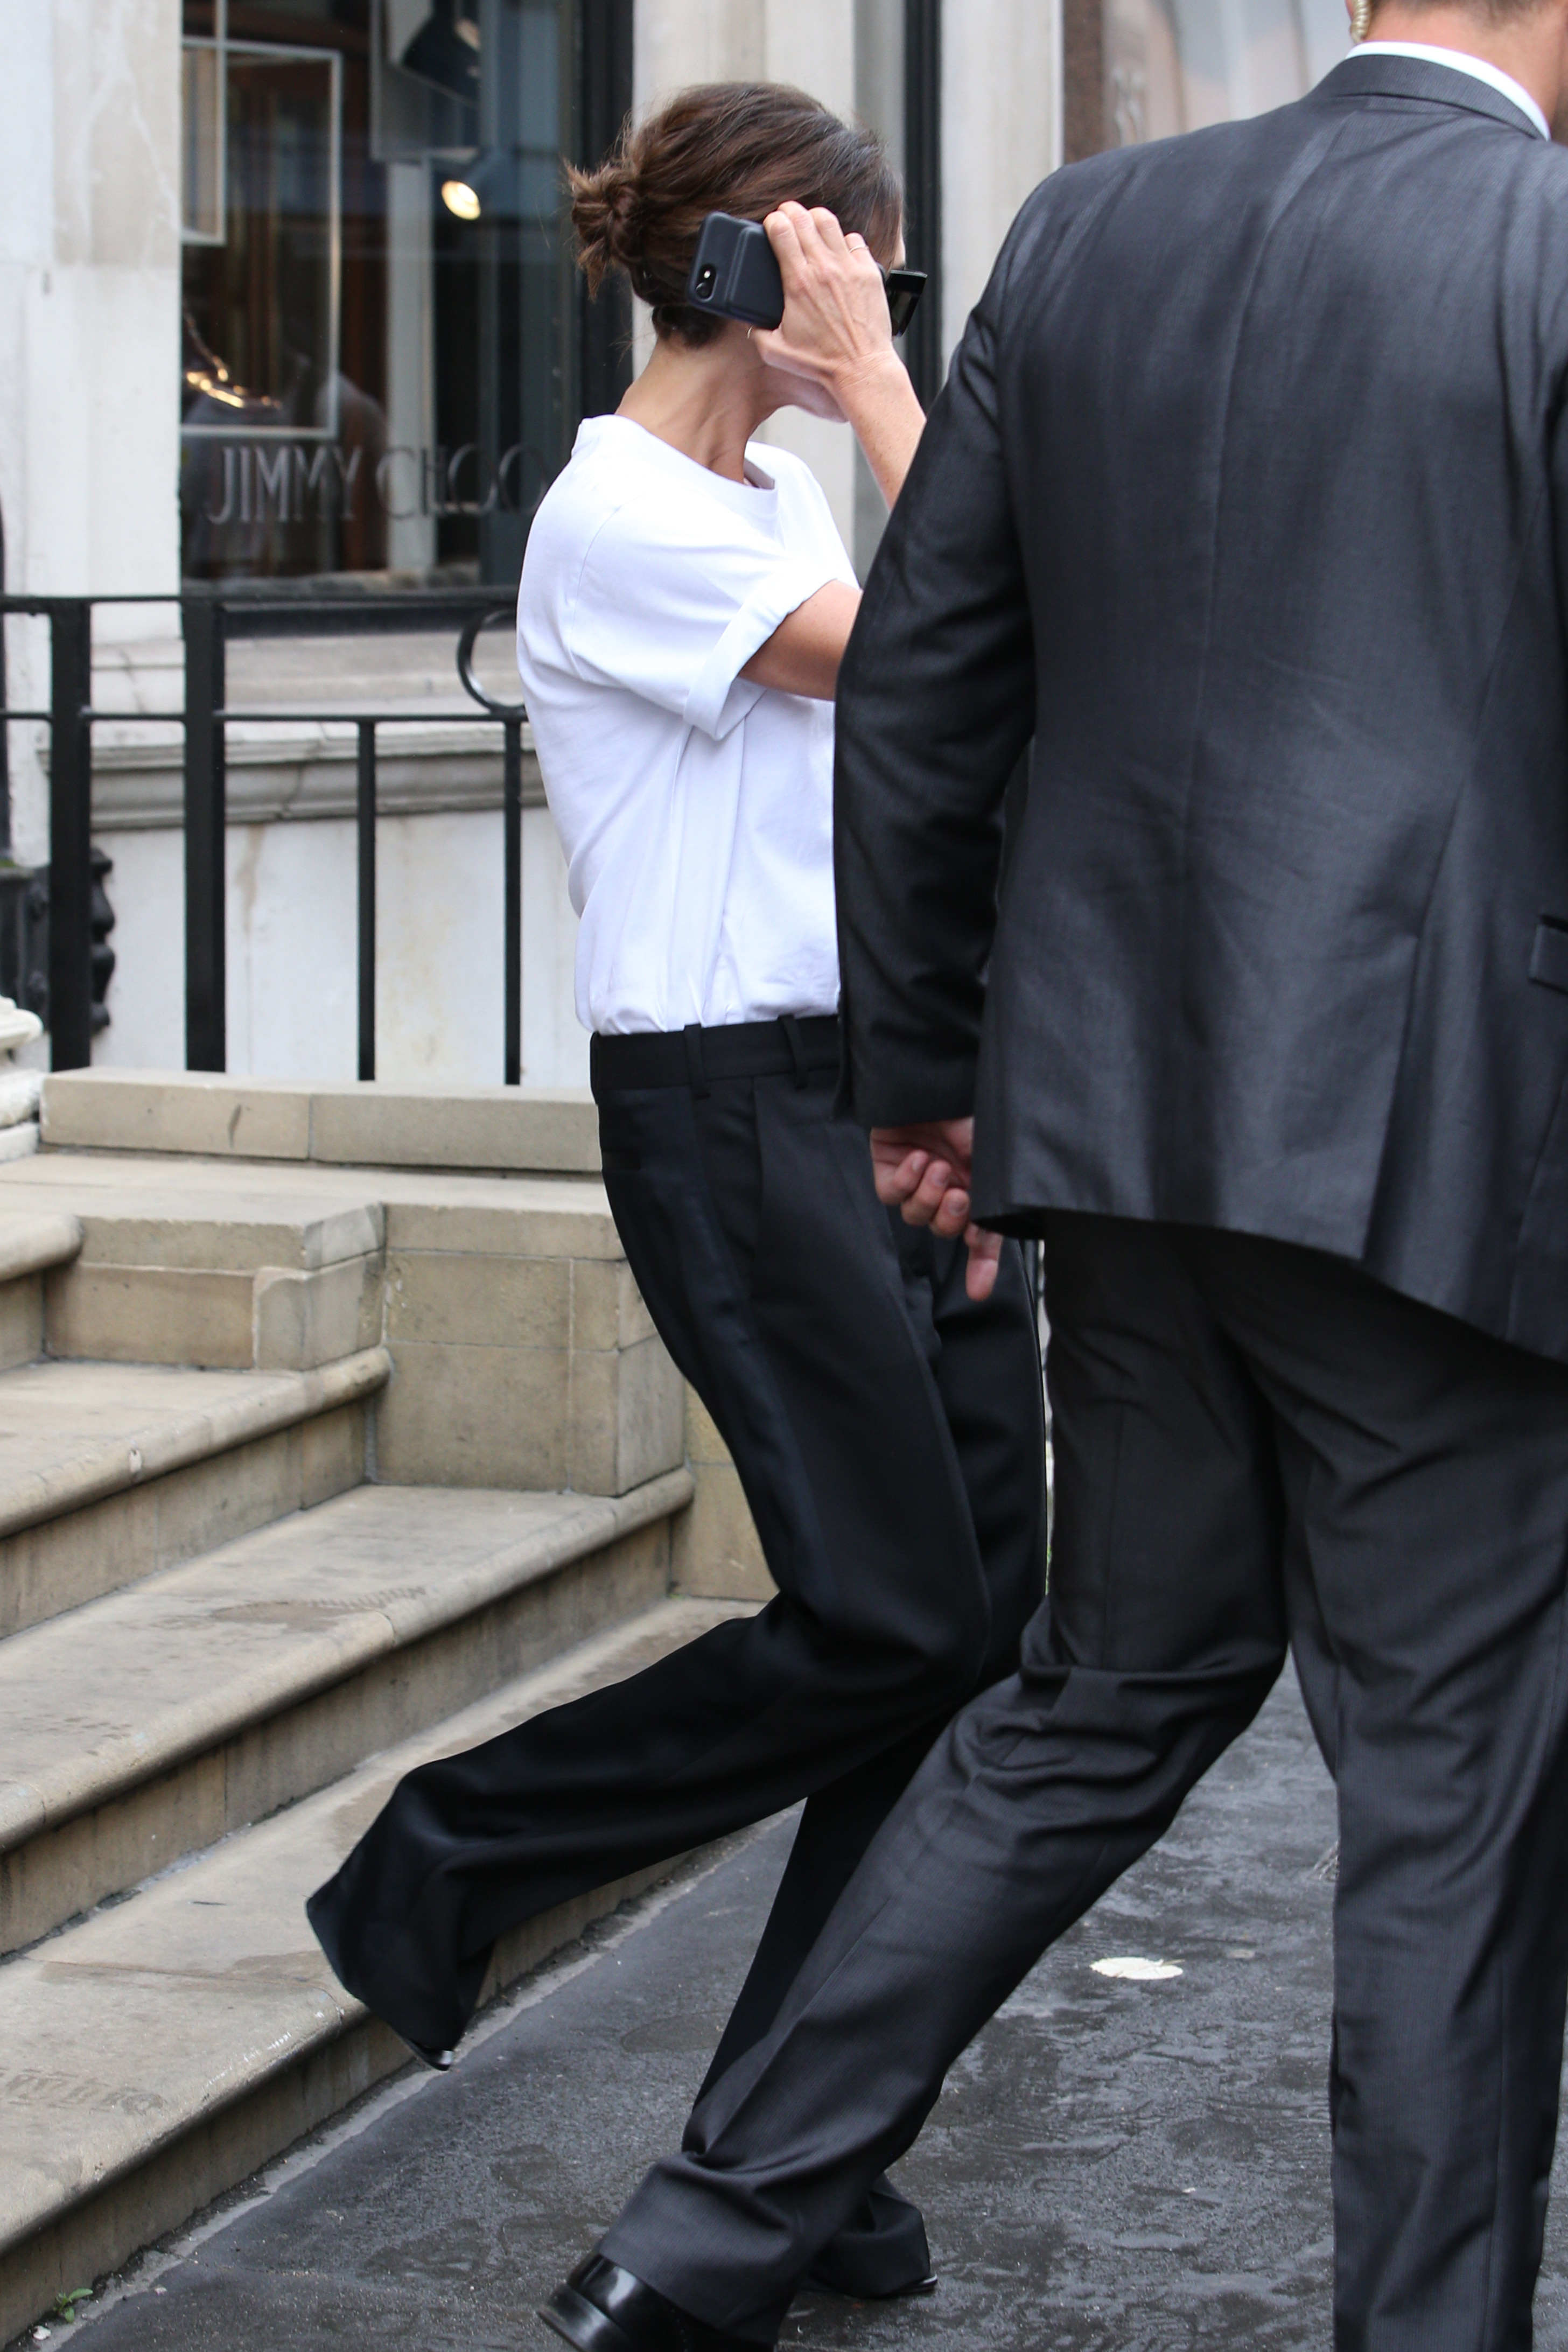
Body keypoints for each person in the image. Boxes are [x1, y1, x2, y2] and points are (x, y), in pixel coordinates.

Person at [538, 7, 1568, 2350]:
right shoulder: (1538, 249)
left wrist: (935, 1077)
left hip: (1119, 1133)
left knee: (1099, 1697)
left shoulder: (1091, 231)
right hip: (1437, 1149)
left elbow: (931, 682)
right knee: (1445, 1800)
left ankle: (690, 2246)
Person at [305, 81, 1047, 2309]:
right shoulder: (622, 513)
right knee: (890, 1618)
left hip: (882, 1092)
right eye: (855, 269)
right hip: (728, 1115)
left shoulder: (773, 500)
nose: (879, 306)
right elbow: (955, 647)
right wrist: (893, 388)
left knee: (969, 1638)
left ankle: (792, 2143)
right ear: (754, 263)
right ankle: (451, 1849)